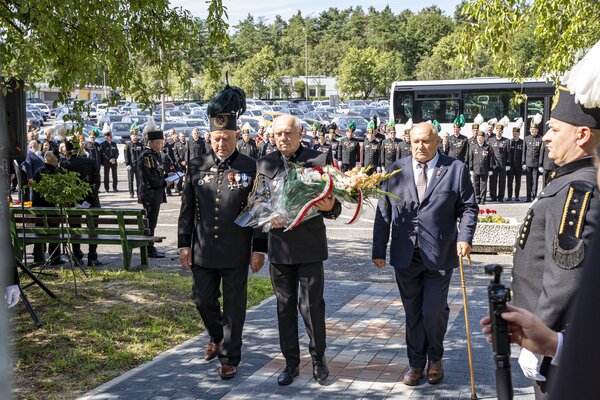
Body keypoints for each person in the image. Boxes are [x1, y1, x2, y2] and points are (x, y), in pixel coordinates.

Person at [372, 122, 478, 387]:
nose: (420, 146)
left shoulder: (455, 169)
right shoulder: (394, 170)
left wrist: (465, 238)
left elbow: (468, 208)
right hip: (405, 252)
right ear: (409, 141)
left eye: (426, 141)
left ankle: (436, 358)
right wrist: (378, 248)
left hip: (440, 253)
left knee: (433, 310)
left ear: (437, 142)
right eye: (415, 141)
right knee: (413, 311)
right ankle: (416, 364)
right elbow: (383, 212)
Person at [511, 84, 600, 398]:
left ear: (582, 135)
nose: (545, 136)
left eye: (554, 129)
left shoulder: (578, 188)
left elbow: (566, 275)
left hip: (554, 343)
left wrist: (542, 342)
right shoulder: (566, 180)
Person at [178, 85, 263, 380]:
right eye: (216, 139)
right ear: (210, 137)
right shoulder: (196, 165)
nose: (221, 144)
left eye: (227, 139)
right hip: (202, 248)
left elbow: (259, 211)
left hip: (236, 249)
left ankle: (229, 357)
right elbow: (187, 209)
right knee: (202, 299)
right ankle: (216, 336)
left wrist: (259, 248)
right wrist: (183, 244)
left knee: (235, 306)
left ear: (236, 137)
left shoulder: (250, 167)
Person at [251, 115, 342, 386]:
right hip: (279, 248)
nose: (283, 138)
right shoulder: (265, 163)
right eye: (278, 134)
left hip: (310, 247)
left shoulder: (318, 160)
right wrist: (266, 219)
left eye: (288, 133)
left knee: (312, 306)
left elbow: (335, 203)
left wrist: (330, 208)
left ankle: (319, 360)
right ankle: (290, 362)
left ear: (300, 133)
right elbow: (255, 204)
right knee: (284, 307)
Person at [61, 141, 103, 267]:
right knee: (93, 229)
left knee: (74, 229)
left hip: (73, 200)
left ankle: (77, 256)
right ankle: (92, 256)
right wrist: (90, 199)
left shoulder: (65, 164)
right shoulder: (91, 162)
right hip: (91, 200)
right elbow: (96, 182)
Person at [137, 120, 174, 258]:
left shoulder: (155, 155)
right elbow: (151, 179)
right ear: (151, 142)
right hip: (150, 195)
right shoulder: (148, 157)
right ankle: (149, 249)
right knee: (150, 222)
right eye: (159, 142)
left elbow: (156, 174)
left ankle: (149, 247)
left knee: (152, 222)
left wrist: (166, 176)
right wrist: (165, 183)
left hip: (154, 194)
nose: (161, 144)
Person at [487, 116, 511, 202]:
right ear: (495, 131)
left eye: (500, 131)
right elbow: (489, 154)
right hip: (493, 164)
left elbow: (508, 153)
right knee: (493, 182)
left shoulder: (506, 141)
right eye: (497, 130)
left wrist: (508, 164)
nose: (499, 132)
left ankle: (500, 197)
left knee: (502, 182)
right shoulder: (491, 140)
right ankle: (493, 197)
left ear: (502, 131)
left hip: (502, 165)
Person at [522, 114, 543, 201]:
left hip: (536, 163)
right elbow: (524, 151)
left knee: (535, 181)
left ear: (537, 130)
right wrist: (523, 162)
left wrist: (540, 164)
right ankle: (528, 196)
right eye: (531, 129)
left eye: (534, 129)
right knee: (528, 181)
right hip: (528, 163)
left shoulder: (540, 139)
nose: (532, 131)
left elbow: (541, 152)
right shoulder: (526, 139)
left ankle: (534, 196)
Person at [468, 131, 493, 204]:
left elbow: (491, 158)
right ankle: (477, 198)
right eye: (478, 138)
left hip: (485, 169)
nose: (480, 139)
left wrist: (490, 168)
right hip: (475, 169)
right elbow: (471, 159)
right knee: (476, 184)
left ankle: (483, 199)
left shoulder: (487, 147)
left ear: (484, 138)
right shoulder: (473, 147)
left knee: (483, 184)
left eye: (481, 138)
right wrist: (470, 169)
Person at [124, 126, 144, 198]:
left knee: (139, 180)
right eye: (133, 135)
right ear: (130, 136)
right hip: (131, 165)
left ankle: (139, 192)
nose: (135, 137)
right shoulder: (128, 145)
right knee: (130, 180)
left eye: (136, 135)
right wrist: (127, 164)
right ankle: (131, 193)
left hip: (138, 165)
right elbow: (126, 155)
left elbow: (142, 155)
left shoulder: (140, 145)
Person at [508, 123, 525, 201]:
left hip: (518, 165)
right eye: (513, 133)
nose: (515, 135)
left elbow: (523, 153)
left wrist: (523, 163)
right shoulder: (509, 142)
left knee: (518, 182)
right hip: (511, 165)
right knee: (509, 182)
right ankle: (509, 196)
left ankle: (517, 196)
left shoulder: (522, 142)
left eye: (516, 133)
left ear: (519, 134)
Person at [100, 124, 119, 192]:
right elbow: (103, 153)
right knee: (106, 176)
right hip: (107, 162)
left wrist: (115, 158)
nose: (110, 138)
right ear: (106, 137)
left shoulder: (114, 143)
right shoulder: (103, 144)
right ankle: (107, 188)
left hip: (114, 161)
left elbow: (117, 152)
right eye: (109, 136)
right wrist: (109, 159)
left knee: (115, 175)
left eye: (111, 136)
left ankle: (115, 187)